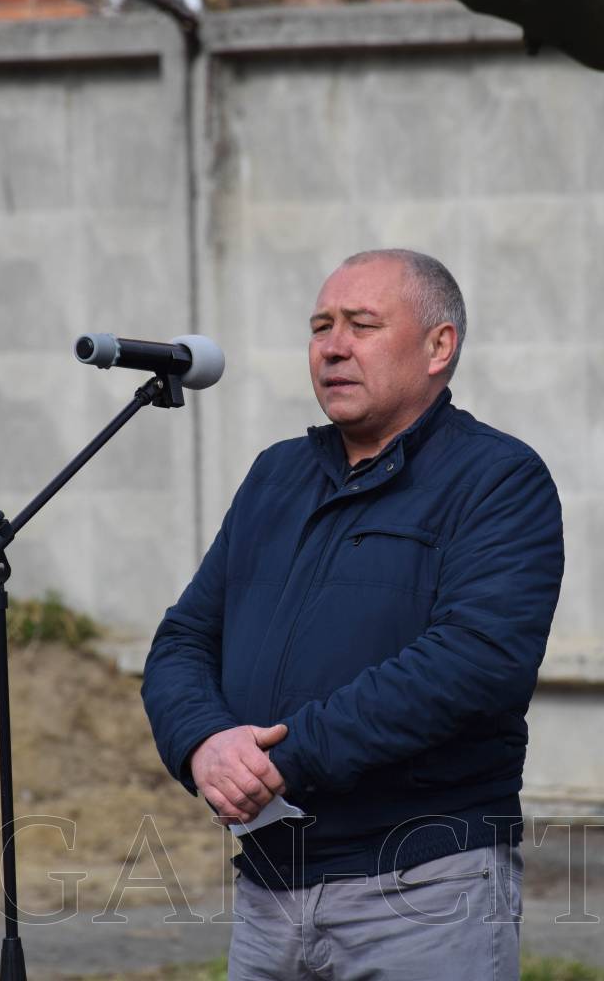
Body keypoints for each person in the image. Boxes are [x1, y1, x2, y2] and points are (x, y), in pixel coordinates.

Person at [141, 248, 564, 980]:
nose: (333, 347)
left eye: (361, 325)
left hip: (423, 888)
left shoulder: (497, 478)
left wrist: (282, 760)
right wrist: (204, 744)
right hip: (268, 892)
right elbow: (185, 639)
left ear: (439, 346)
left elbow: (475, 663)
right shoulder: (276, 476)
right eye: (320, 327)